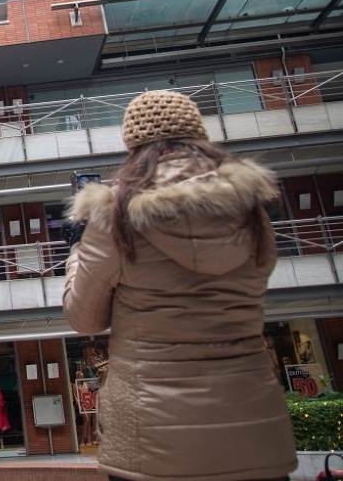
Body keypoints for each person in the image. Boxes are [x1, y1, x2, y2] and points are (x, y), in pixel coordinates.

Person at [62, 90, 297, 481]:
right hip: (254, 431)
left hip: (151, 441)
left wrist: (76, 253)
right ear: (199, 136)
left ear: (132, 144)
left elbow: (84, 318)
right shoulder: (251, 211)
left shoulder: (115, 215)